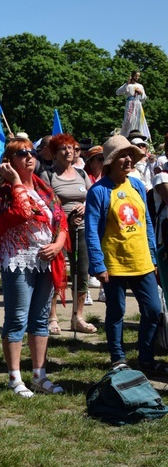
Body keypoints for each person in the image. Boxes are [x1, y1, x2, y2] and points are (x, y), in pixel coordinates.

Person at [0, 138, 69, 397]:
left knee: (41, 319)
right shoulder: (3, 191)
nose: (29, 157)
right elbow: (22, 212)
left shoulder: (45, 189)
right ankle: (14, 378)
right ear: (9, 162)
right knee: (17, 319)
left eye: (32, 152)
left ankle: (39, 375)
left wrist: (58, 244)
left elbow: (61, 220)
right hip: (18, 258)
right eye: (21, 153)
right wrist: (14, 182)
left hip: (46, 260)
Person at [85, 135, 168, 375]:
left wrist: (153, 257)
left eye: (131, 154)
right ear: (111, 161)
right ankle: (118, 359)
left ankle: (146, 358)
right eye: (123, 155)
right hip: (114, 263)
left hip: (142, 260)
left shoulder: (137, 186)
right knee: (116, 312)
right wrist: (99, 264)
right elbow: (91, 230)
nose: (129, 159)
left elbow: (147, 224)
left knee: (153, 310)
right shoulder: (99, 191)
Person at [40, 134, 96, 335]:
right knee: (59, 272)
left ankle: (77, 317)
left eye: (72, 148)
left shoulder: (82, 174)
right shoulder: (48, 175)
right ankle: (52, 316)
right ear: (54, 154)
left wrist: (84, 206)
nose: (68, 152)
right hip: (57, 231)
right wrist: (65, 216)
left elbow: (92, 197)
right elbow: (45, 203)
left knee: (81, 272)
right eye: (63, 149)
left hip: (81, 229)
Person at [117, 71, 148, 137]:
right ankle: (126, 135)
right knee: (128, 121)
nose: (137, 77)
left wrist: (141, 93)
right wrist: (127, 84)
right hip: (130, 104)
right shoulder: (128, 85)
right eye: (136, 76)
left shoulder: (140, 86)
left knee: (138, 121)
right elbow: (118, 92)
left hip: (138, 105)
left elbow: (144, 98)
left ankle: (138, 134)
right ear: (132, 76)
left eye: (138, 76)